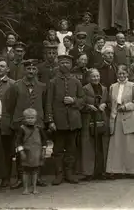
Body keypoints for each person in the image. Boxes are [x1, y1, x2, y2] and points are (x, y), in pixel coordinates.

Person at [5, 59, 48, 189]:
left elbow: (45, 104)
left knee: (36, 149)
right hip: (20, 122)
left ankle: (37, 177)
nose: (31, 71)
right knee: (21, 149)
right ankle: (20, 178)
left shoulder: (42, 86)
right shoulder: (16, 86)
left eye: (33, 69)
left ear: (37, 71)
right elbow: (10, 105)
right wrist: (18, 118)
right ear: (24, 70)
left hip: (37, 123)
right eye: (28, 69)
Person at [46, 55, 84, 185]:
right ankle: (59, 174)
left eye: (67, 62)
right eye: (62, 62)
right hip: (59, 121)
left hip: (73, 121)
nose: (65, 65)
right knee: (58, 149)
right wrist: (50, 121)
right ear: (58, 65)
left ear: (71, 65)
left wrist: (74, 101)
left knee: (71, 148)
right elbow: (48, 103)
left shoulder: (76, 81)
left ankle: (69, 173)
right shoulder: (52, 82)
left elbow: (82, 100)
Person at [106, 65, 134, 177]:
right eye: (119, 74)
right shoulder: (113, 87)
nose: (121, 76)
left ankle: (131, 170)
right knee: (117, 144)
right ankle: (116, 170)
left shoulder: (133, 86)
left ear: (127, 74)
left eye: (123, 74)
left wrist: (126, 106)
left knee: (129, 145)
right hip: (116, 117)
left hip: (129, 116)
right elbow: (110, 102)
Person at [80, 69, 109, 180]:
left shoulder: (104, 89)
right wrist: (88, 106)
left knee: (101, 146)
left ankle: (101, 171)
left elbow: (108, 101)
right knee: (89, 146)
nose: (96, 78)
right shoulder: (84, 89)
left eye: (97, 76)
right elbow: (81, 103)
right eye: (93, 76)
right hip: (89, 119)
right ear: (88, 78)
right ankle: (89, 173)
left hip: (101, 119)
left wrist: (104, 104)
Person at [14, 108, 48, 195]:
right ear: (24, 119)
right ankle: (25, 188)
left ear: (36, 118)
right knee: (25, 171)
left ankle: (34, 188)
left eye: (32, 118)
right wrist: (21, 152)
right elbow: (18, 141)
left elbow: (44, 140)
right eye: (28, 118)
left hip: (36, 153)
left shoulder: (39, 129)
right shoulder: (22, 129)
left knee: (35, 171)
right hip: (26, 153)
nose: (30, 120)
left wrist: (43, 150)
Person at [0, 57, 16, 187]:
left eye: (2, 66)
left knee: (6, 150)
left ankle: (6, 177)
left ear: (7, 69)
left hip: (6, 122)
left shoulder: (12, 84)